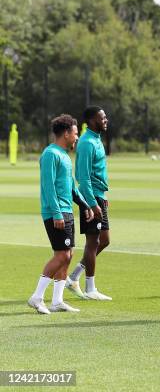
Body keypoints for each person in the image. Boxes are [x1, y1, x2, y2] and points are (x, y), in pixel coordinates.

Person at [28, 115, 93, 314]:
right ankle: (36, 297)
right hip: (55, 212)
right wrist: (56, 213)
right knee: (62, 254)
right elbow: (48, 186)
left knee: (68, 255)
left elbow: (71, 186)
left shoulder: (64, 155)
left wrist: (85, 205)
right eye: (75, 133)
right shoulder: (50, 154)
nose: (77, 138)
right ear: (66, 133)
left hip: (66, 211)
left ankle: (57, 301)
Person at [66, 106, 112, 300]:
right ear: (93, 120)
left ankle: (74, 277)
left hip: (98, 195)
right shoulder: (86, 142)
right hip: (91, 197)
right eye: (102, 118)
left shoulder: (96, 139)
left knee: (104, 240)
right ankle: (90, 288)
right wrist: (92, 203)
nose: (106, 120)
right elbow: (83, 178)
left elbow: (97, 172)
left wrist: (103, 196)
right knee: (93, 241)